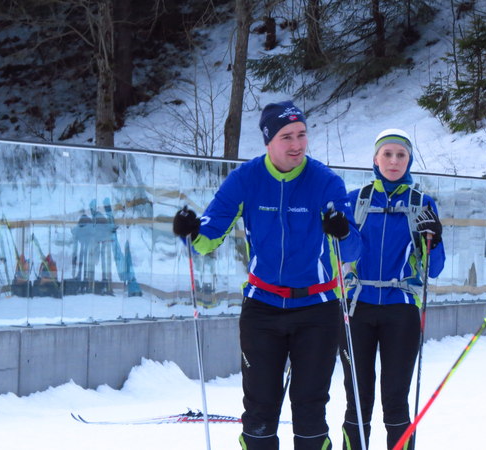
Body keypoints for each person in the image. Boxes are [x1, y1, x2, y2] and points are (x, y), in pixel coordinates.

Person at [172, 100, 361, 450]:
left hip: (317, 307)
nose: (297, 144)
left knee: (310, 409)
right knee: (259, 411)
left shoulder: (325, 182)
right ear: (268, 141)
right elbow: (208, 238)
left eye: (302, 134)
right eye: (287, 136)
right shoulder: (246, 179)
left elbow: (353, 251)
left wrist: (343, 231)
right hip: (263, 307)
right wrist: (191, 230)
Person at [340, 129, 445, 450]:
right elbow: (337, 255)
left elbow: (434, 269)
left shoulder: (421, 204)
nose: (394, 161)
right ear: (375, 158)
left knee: (396, 400)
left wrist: (435, 240)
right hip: (358, 307)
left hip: (401, 309)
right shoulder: (355, 200)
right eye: (387, 154)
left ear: (409, 160)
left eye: (401, 155)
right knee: (357, 400)